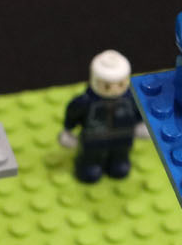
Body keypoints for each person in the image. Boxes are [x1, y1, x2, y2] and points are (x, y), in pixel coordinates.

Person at [59, 50, 144, 183]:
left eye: (120, 84)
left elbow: (139, 111)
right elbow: (73, 113)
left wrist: (141, 124)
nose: (114, 90)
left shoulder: (131, 99)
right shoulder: (86, 102)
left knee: (120, 156)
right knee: (91, 157)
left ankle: (118, 163)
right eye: (107, 86)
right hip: (94, 137)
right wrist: (68, 130)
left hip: (123, 135)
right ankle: (90, 166)